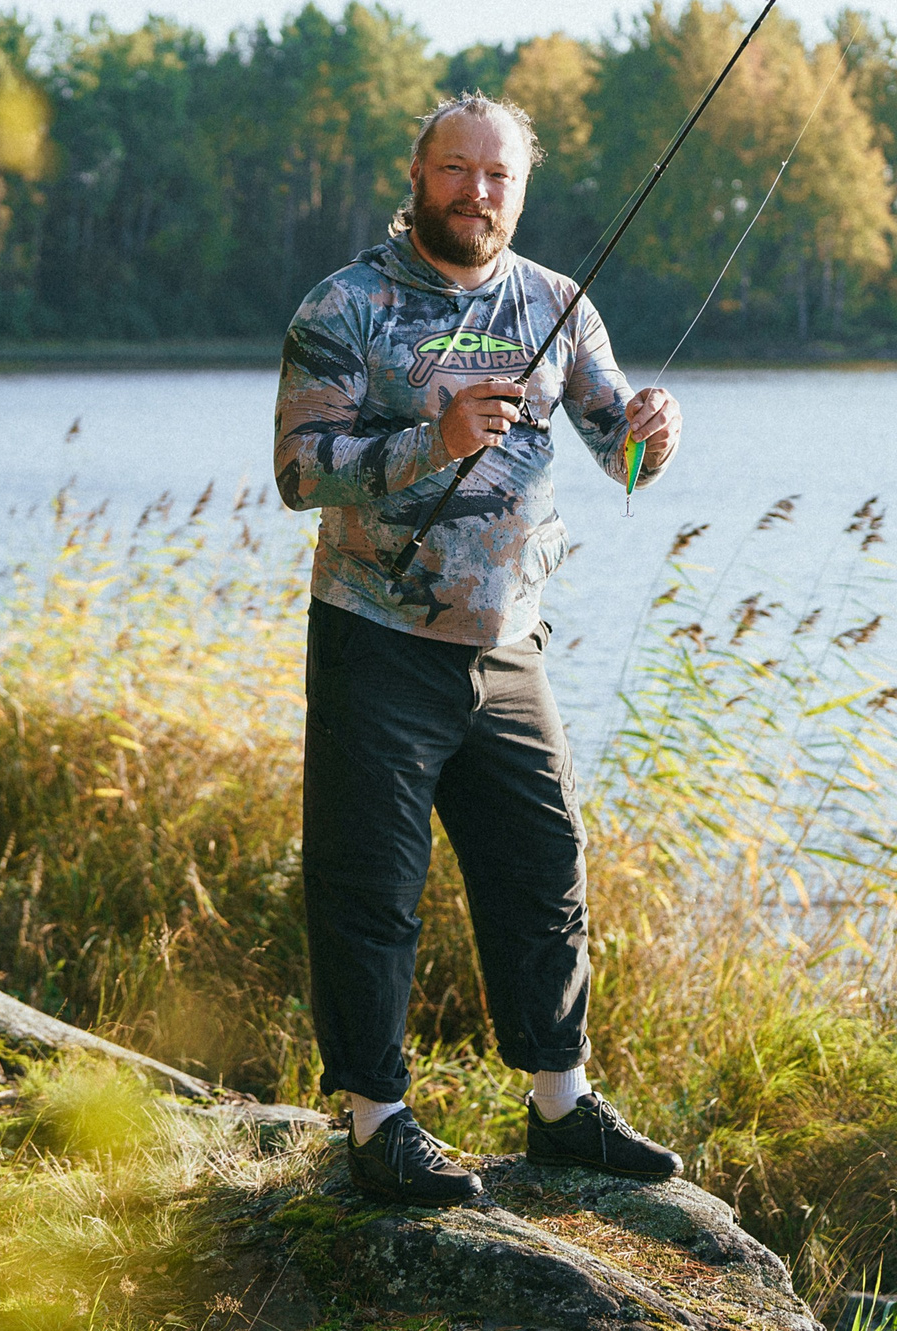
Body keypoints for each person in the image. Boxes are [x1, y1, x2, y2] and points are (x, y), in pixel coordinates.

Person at [272, 91, 685, 1207]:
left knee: (544, 870)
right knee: (370, 887)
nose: (477, 193)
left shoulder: (557, 302)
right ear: (418, 176)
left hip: (509, 648)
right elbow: (299, 471)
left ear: (522, 189)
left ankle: (560, 1107)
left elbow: (621, 458)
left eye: (499, 175)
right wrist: (432, 440)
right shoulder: (346, 304)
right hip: (377, 637)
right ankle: (376, 1122)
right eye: (457, 170)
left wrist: (655, 436)